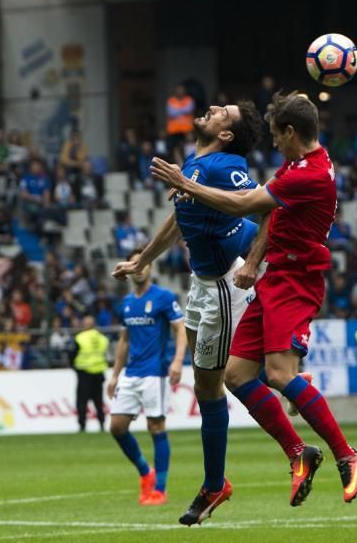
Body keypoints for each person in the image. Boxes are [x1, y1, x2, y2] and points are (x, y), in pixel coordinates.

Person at [151, 91, 357, 525]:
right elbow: (275, 218)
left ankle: (347, 454)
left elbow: (249, 205)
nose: (273, 144)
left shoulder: (307, 176)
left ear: (291, 133)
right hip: (272, 275)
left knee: (280, 374)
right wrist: (253, 260)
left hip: (296, 280)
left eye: (277, 135)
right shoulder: (298, 162)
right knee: (235, 375)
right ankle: (298, 452)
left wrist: (185, 184)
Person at [111, 98, 266, 521]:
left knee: (214, 387)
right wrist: (144, 258)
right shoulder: (195, 165)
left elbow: (255, 202)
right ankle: (275, 370)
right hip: (202, 284)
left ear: (226, 134)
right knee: (207, 387)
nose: (213, 107)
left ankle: (215, 484)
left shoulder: (224, 164)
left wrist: (252, 260)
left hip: (222, 285)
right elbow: (180, 217)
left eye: (222, 112)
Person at [107, 249, 187, 506]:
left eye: (143, 262)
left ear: (151, 267)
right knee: (117, 427)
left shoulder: (163, 297)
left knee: (156, 427)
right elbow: (124, 340)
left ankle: (159, 490)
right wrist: (115, 375)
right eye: (133, 263)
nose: (139, 267)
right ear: (128, 268)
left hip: (156, 374)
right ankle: (145, 472)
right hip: (131, 373)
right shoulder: (128, 303)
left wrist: (177, 361)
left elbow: (180, 329)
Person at [72, 314, 109, 433]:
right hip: (99, 373)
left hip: (84, 373)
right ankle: (102, 424)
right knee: (98, 402)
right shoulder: (103, 338)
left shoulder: (80, 337)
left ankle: (82, 426)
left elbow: (72, 355)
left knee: (82, 402)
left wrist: (75, 367)